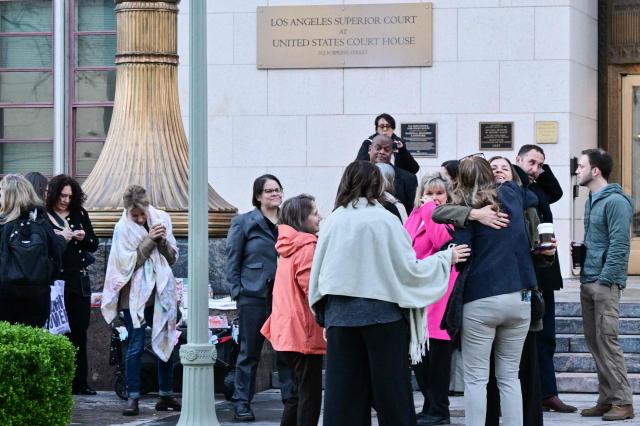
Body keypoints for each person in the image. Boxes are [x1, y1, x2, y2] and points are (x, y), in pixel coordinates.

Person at [308, 161, 470, 426]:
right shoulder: (385, 219)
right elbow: (408, 269)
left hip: (341, 319)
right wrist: (445, 259)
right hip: (383, 319)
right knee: (392, 396)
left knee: (343, 398)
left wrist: (323, 312)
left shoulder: (333, 220)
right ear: (377, 184)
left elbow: (319, 272)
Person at [433, 155, 539, 426]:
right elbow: (532, 195)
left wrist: (472, 215)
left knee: (477, 378)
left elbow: (438, 214)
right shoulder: (513, 194)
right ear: (492, 176)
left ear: (461, 181)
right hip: (520, 297)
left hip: (481, 298)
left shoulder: (465, 208)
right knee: (509, 376)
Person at [101, 185, 181, 416]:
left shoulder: (162, 218)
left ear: (148, 207)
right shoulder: (122, 228)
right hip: (133, 295)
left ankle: (166, 394)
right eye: (133, 215)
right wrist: (149, 239)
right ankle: (133, 397)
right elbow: (126, 264)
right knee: (135, 344)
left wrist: (163, 240)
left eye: (141, 214)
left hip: (160, 290)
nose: (138, 219)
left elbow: (172, 257)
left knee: (166, 339)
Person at [225, 174, 294, 421]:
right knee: (249, 351)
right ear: (258, 196)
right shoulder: (244, 222)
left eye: (278, 189)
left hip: (284, 295)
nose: (275, 194)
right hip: (253, 294)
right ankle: (242, 402)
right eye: (269, 191)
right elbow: (232, 258)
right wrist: (236, 290)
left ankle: (290, 400)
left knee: (285, 350)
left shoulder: (289, 221)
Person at [514, 145, 575, 413]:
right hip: (523, 276)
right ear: (517, 160)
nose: (536, 168)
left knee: (546, 335)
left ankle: (547, 392)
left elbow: (557, 192)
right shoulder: (512, 189)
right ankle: (527, 392)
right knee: (525, 337)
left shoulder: (540, 188)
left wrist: (540, 169)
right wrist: (520, 172)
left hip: (545, 273)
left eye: (540, 164)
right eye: (531, 162)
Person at [575, 149, 634, 421]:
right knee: (595, 343)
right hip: (589, 278)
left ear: (595, 170)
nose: (577, 170)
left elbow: (620, 245)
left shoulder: (616, 202)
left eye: (581, 166)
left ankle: (623, 401)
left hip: (603, 283)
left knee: (607, 342)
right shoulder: (592, 199)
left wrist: (606, 280)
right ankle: (607, 398)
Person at [261, 194, 325, 426]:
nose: (320, 217)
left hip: (287, 330)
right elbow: (312, 290)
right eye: (315, 213)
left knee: (296, 394)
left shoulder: (287, 245)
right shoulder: (307, 246)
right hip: (303, 331)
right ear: (302, 217)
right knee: (309, 394)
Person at [404, 173, 458, 426]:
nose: (434, 198)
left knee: (437, 356)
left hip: (441, 295)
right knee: (421, 357)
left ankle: (439, 409)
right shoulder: (414, 216)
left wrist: (429, 209)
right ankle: (430, 406)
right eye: (430, 193)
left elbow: (441, 240)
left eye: (440, 193)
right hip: (417, 294)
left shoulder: (450, 216)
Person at [46, 174, 99, 396]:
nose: (66, 200)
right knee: (55, 332)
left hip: (78, 280)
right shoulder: (43, 216)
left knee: (79, 331)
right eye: (62, 195)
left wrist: (81, 237)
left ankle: (80, 382)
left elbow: (94, 244)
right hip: (55, 281)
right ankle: (56, 380)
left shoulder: (79, 214)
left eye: (70, 196)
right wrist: (61, 238)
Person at [0, 174, 63, 327]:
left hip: (5, 294)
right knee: (32, 341)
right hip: (38, 295)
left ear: (8, 196)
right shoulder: (42, 223)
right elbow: (57, 256)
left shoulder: (3, 226)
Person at [368, 134, 418, 214]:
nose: (382, 152)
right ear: (370, 149)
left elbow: (411, 213)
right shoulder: (355, 175)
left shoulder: (408, 179)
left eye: (386, 149)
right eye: (378, 148)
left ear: (391, 153)